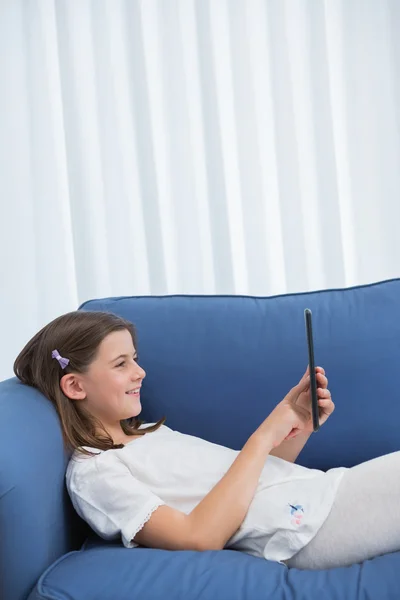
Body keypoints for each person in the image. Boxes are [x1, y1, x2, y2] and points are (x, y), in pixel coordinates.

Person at [14, 310, 400, 570]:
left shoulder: (148, 434)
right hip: (308, 527)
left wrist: (294, 424)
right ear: (75, 385)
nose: (140, 372)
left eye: (135, 358)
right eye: (121, 364)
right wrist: (263, 436)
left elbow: (248, 491)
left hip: (317, 497)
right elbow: (199, 537)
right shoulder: (96, 472)